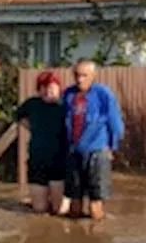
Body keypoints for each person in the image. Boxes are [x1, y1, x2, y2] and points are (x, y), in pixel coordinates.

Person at [61, 60, 124, 221]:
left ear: (93, 76)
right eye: (77, 75)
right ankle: (75, 238)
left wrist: (112, 147)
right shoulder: (68, 94)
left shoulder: (103, 94)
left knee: (95, 203)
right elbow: (63, 122)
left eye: (84, 75)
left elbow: (115, 122)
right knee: (74, 200)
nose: (80, 79)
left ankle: (97, 237)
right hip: (74, 152)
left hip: (97, 152)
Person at [15, 70, 67, 214]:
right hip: (37, 161)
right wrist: (33, 128)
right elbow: (19, 116)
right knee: (39, 210)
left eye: (51, 86)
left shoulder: (65, 105)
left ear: (58, 88)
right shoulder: (32, 104)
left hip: (60, 162)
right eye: (43, 87)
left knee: (60, 211)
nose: (47, 90)